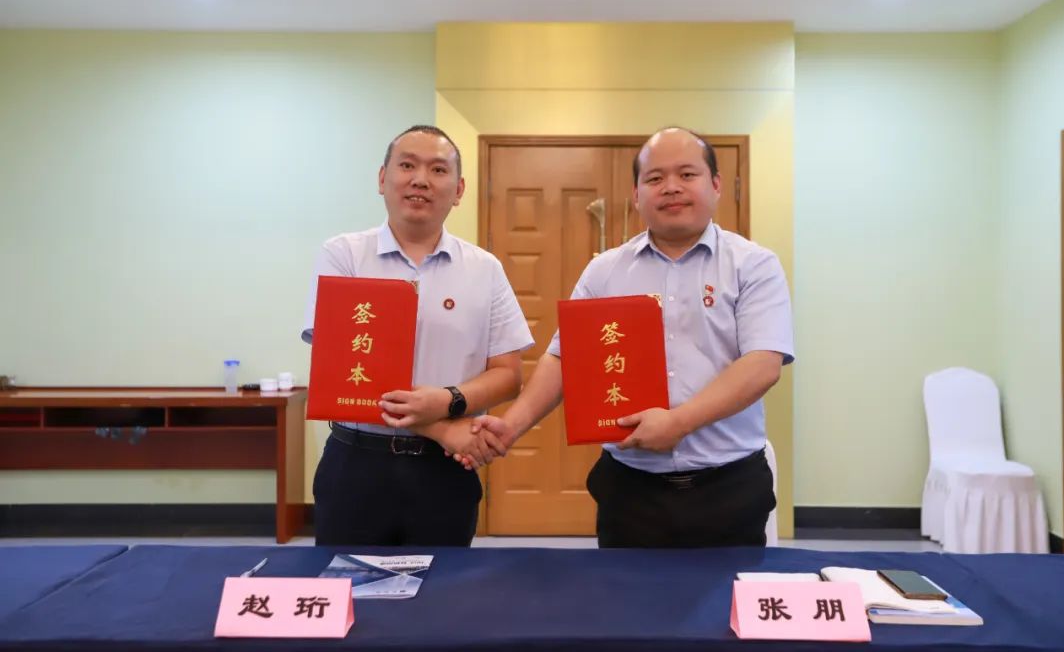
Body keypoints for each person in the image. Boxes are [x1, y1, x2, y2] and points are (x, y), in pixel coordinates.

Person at [461, 127, 794, 548]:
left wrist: (677, 423)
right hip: (631, 489)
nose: (670, 187)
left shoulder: (753, 265)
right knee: (624, 591)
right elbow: (565, 359)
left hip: (729, 487)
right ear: (637, 195)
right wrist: (510, 426)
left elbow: (762, 365)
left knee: (726, 591)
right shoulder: (605, 271)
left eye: (686, 174)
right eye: (655, 178)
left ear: (715, 185)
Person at [302, 125, 532, 546]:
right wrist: (441, 428)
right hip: (357, 464)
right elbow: (342, 376)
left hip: (444, 471)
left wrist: (448, 401)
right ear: (382, 178)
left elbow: (508, 375)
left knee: (443, 585)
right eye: (407, 166)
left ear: (459, 189)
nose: (420, 180)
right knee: (347, 580)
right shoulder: (344, 255)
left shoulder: (484, 268)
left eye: (438, 169)